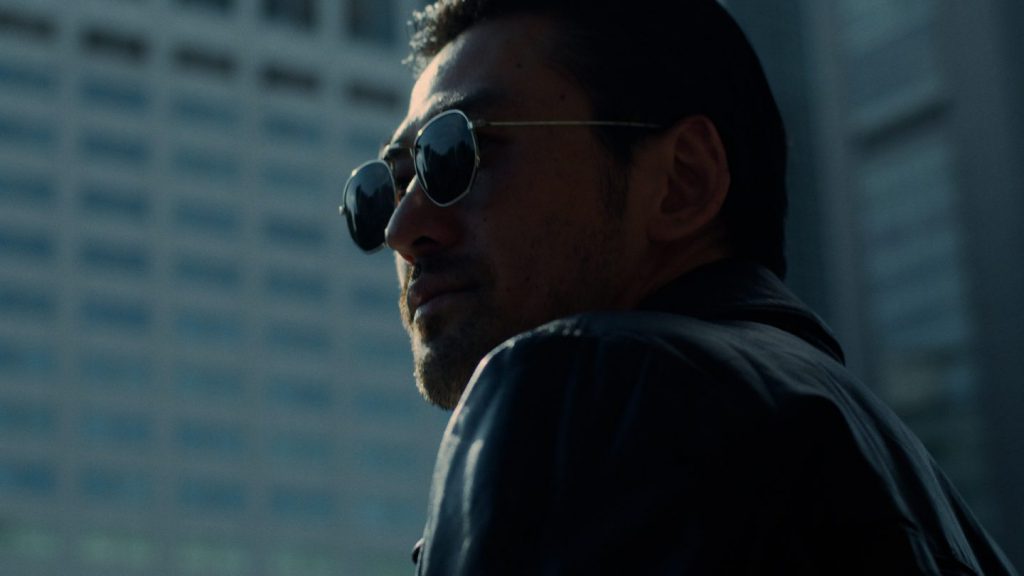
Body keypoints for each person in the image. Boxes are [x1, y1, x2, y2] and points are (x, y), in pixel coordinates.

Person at [340, 0, 1020, 573]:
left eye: (458, 152)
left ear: (683, 181)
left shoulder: (590, 387)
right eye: (389, 186)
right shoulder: (930, 503)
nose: (402, 228)